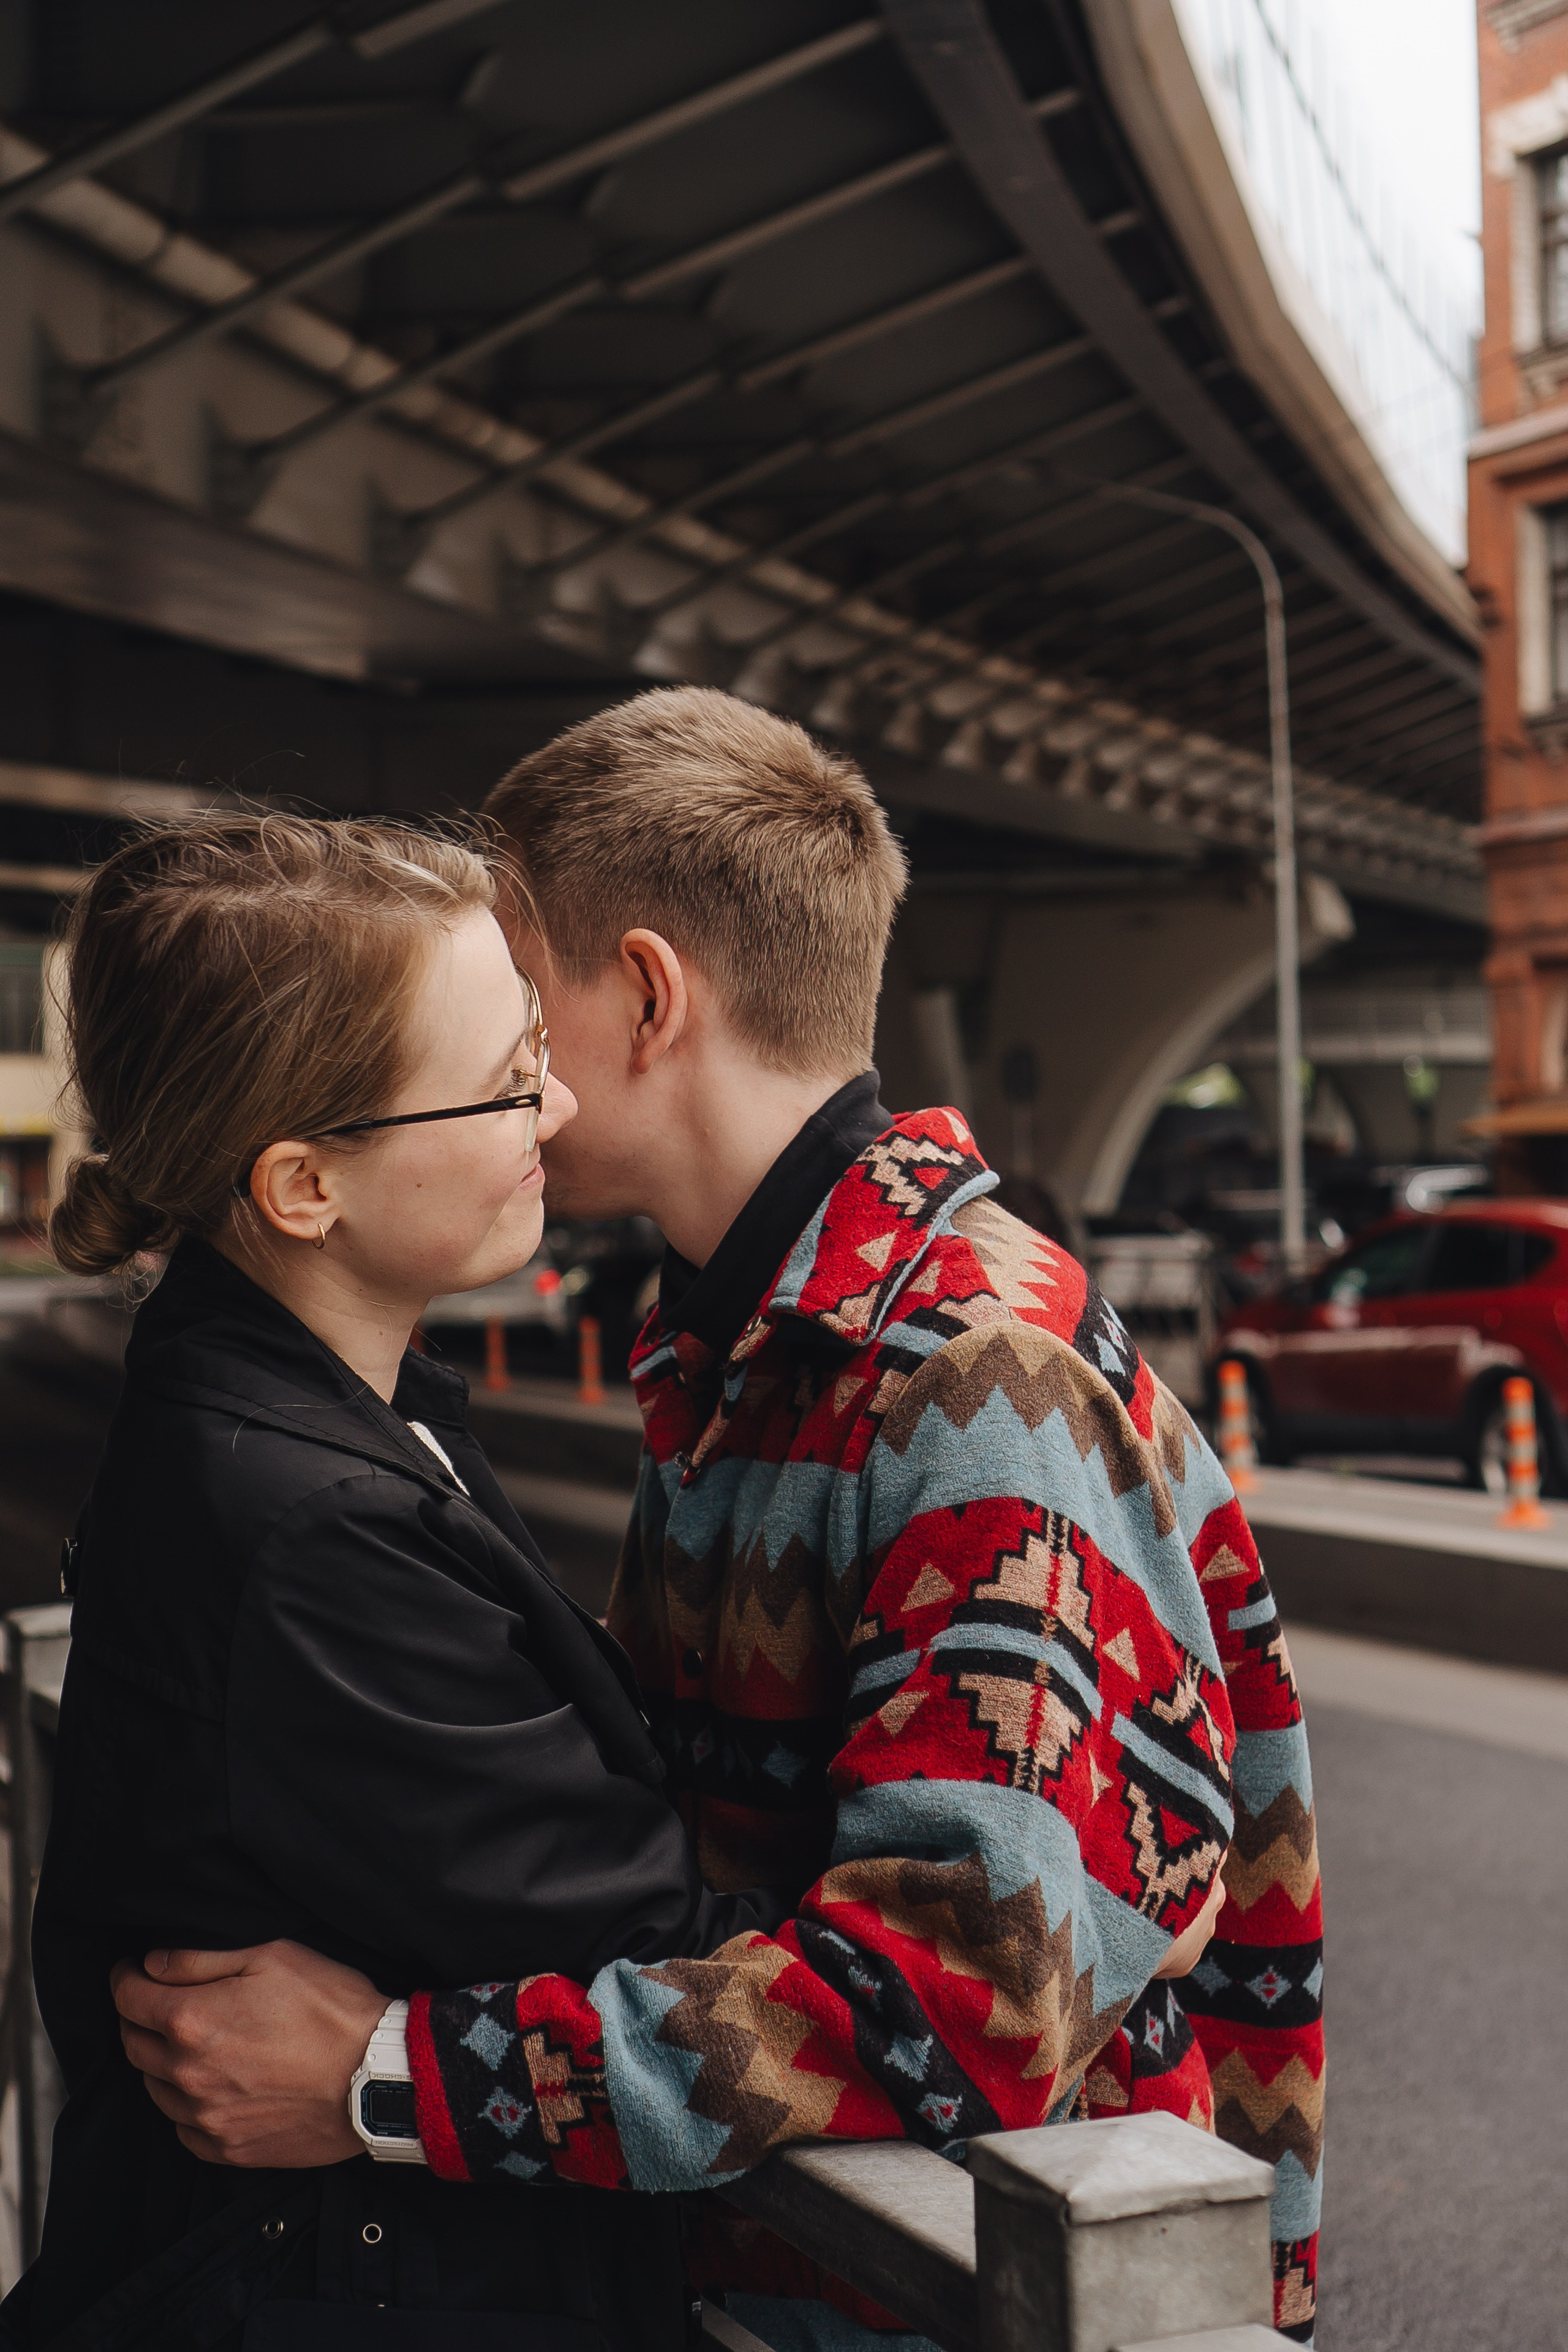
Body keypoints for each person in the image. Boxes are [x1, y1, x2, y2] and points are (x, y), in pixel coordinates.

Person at [111, 692, 1324, 2347]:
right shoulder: (742, 1337)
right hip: (808, 2277)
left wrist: (392, 2077)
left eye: (518, 1016)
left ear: (647, 996)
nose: (516, 1085)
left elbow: (962, 2001)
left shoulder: (980, 1382)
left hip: (993, 2298)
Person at [10, 815, 801, 2351]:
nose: (556, 1104)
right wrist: (1044, 1903)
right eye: (506, 1082)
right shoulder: (299, 1525)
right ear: (304, 1187)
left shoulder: (335, 1415)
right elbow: (655, 1953)